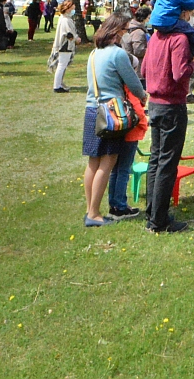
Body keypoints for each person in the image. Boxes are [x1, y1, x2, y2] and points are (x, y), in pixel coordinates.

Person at [141, 0, 194, 233]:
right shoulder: (179, 38)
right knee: (167, 163)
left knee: (156, 160)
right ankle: (159, 220)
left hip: (154, 104)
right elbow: (180, 73)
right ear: (184, 13)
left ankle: (152, 214)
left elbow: (144, 70)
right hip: (171, 107)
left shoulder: (156, 36)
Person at [84, 15, 149, 227]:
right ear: (116, 32)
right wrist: (143, 95)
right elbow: (134, 83)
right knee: (108, 161)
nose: (126, 34)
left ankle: (90, 210)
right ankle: (94, 214)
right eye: (124, 30)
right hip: (112, 113)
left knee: (93, 162)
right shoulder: (118, 54)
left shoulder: (94, 53)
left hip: (92, 110)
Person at [50, 0, 79, 93]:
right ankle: (57, 86)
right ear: (68, 9)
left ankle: (59, 83)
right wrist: (77, 39)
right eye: (72, 8)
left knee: (62, 65)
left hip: (63, 45)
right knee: (62, 65)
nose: (73, 10)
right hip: (64, 46)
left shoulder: (63, 18)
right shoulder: (66, 20)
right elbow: (69, 35)